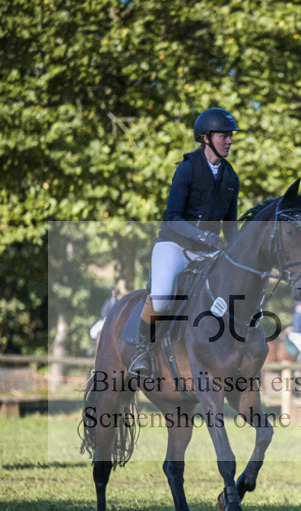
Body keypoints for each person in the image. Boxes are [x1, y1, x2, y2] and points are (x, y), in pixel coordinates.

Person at [129, 107, 244, 375]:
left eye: (230, 136)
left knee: (231, 294)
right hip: (175, 247)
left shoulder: (231, 178)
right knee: (161, 299)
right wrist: (201, 235)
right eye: (223, 136)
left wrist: (239, 256)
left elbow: (230, 226)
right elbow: (171, 218)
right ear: (205, 138)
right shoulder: (187, 170)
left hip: (207, 254)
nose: (229, 141)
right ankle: (142, 351)